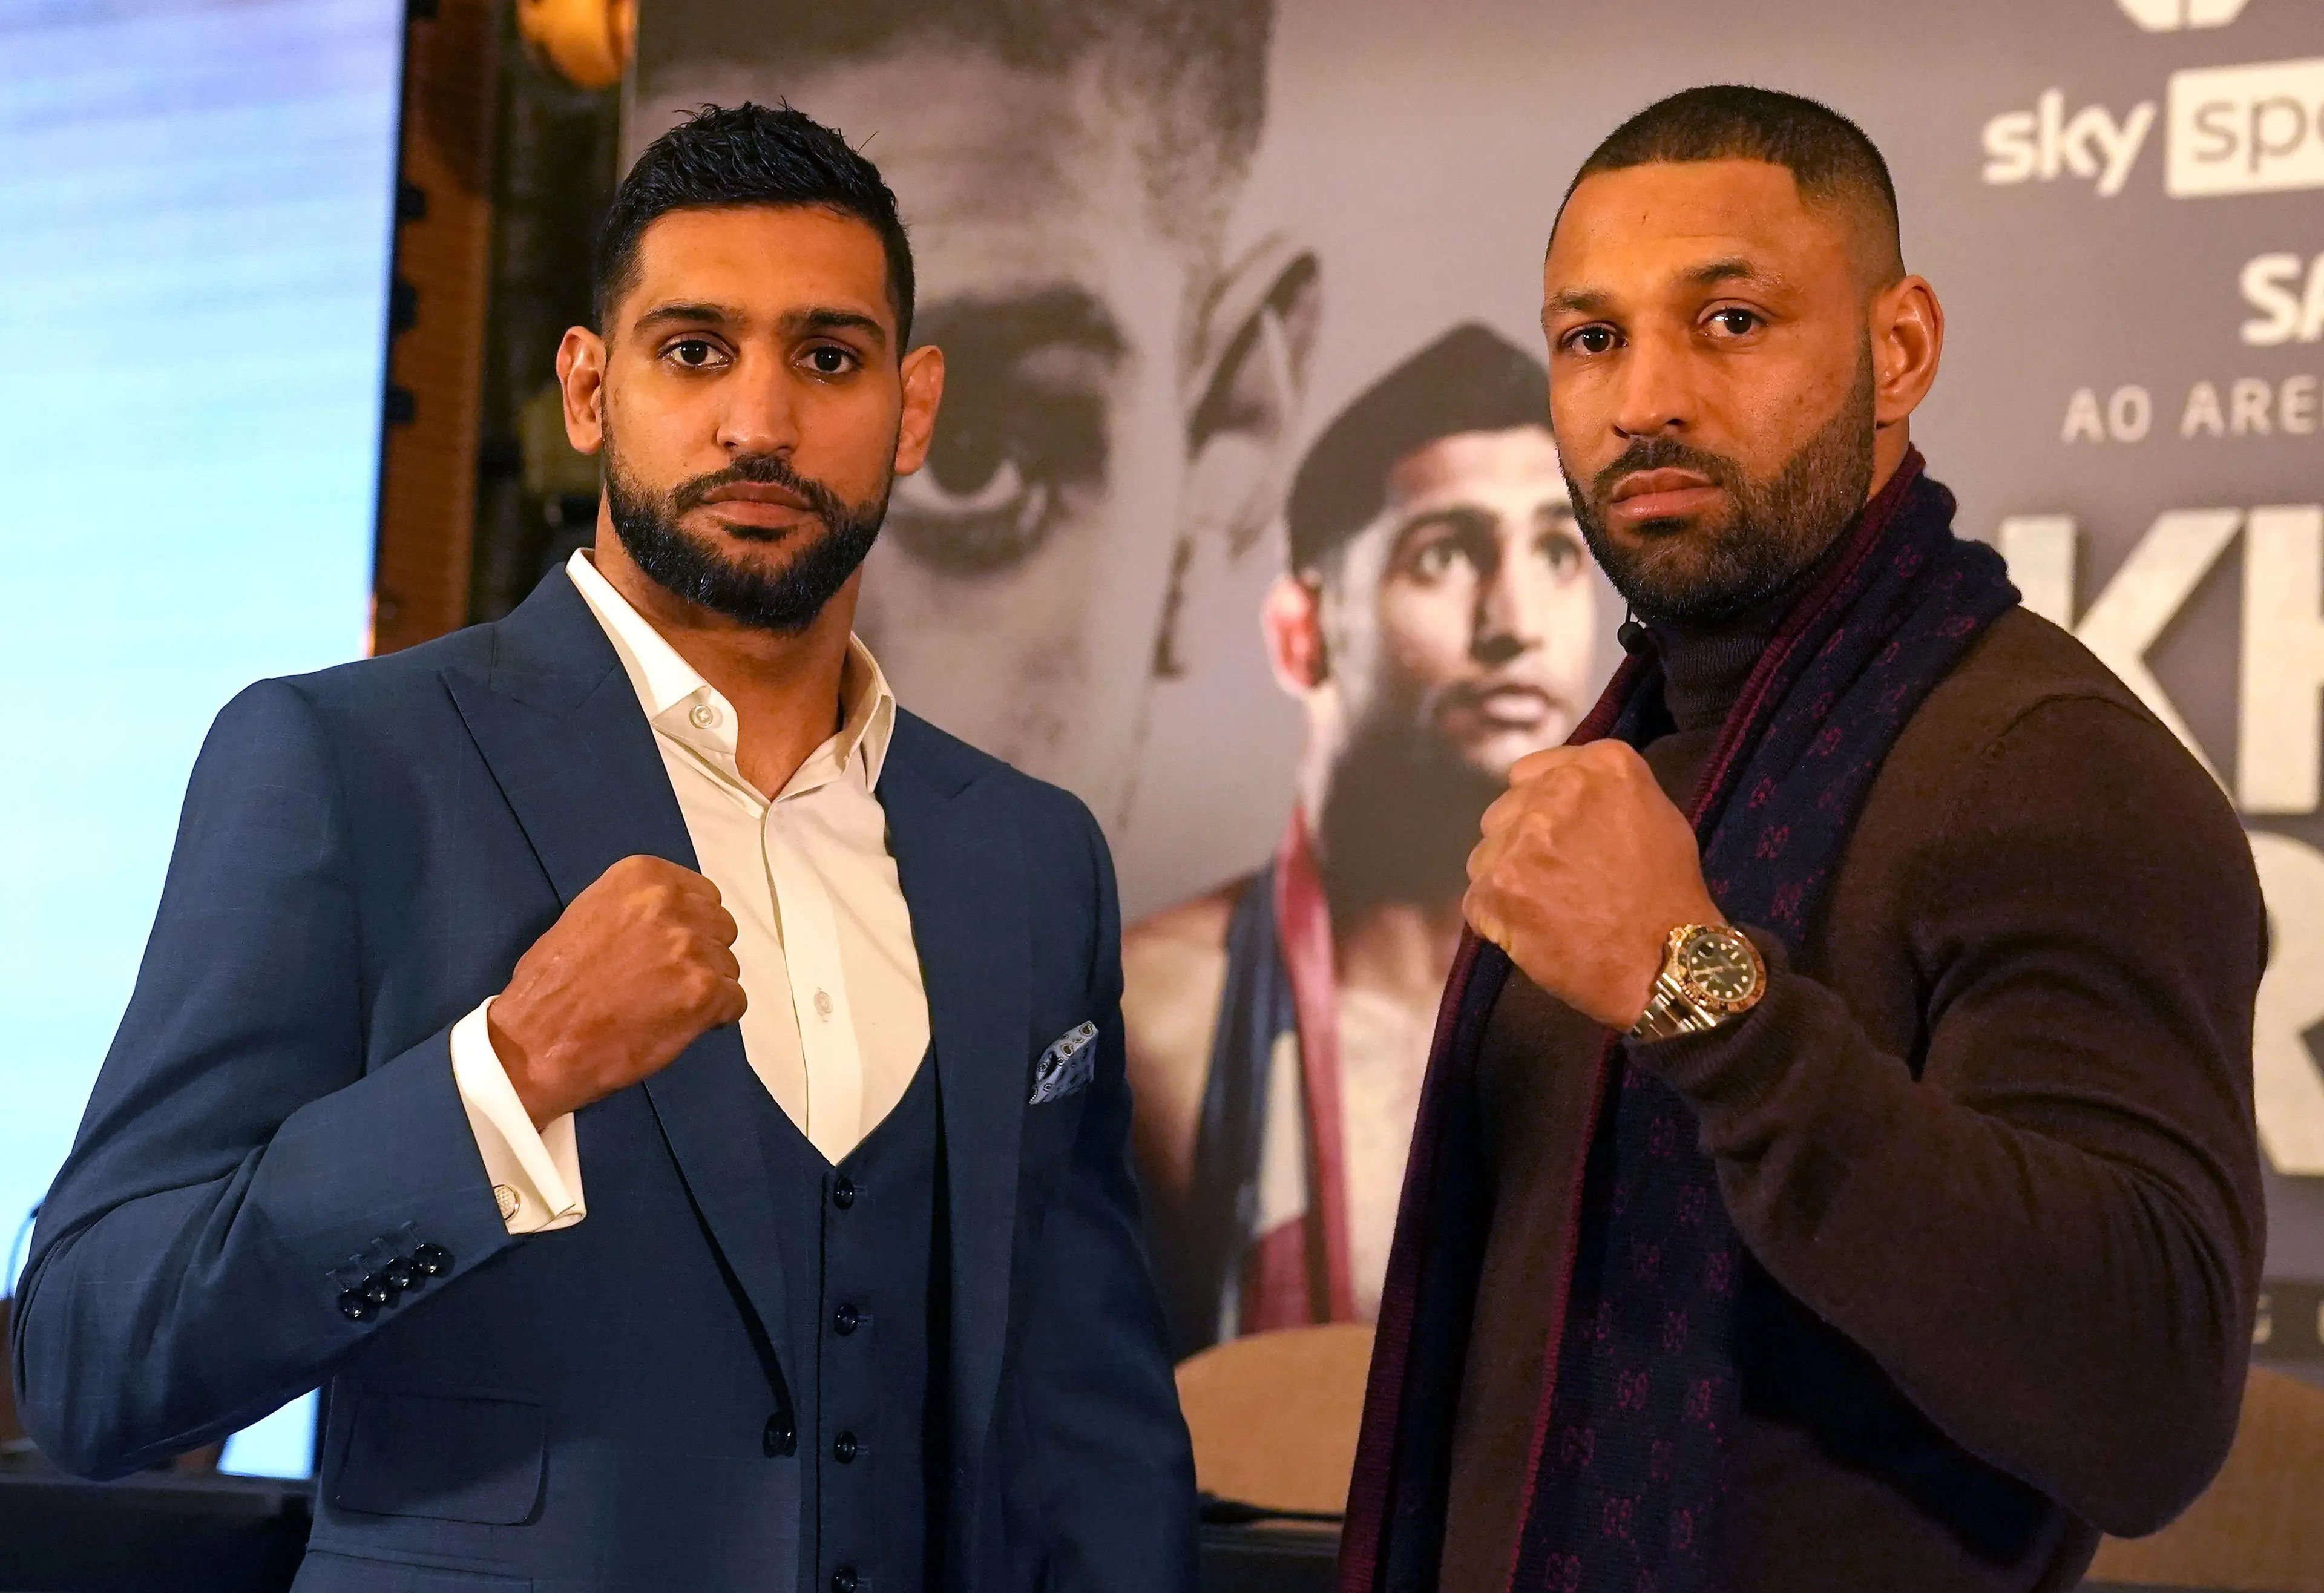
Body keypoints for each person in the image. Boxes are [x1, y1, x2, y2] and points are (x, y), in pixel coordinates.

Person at [11, 105, 1193, 1593]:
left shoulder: (1030, 855)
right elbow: (93, 1356)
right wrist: (504, 1076)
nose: (759, 421)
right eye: (694, 350)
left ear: (914, 408)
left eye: (828, 358)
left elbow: (1088, 1431)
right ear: (588, 388)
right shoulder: (345, 764)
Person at [1339, 87, 2264, 1593]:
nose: (1646, 399)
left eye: (1732, 321)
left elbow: (2150, 1398)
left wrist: (1697, 988)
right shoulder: (1638, 748)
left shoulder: (2046, 761)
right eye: (1593, 338)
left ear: (1899, 351)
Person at [631, 0, 1319, 832]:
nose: (789, 624)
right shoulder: (482, 796)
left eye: (970, 462)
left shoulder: (1054, 880)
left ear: (1223, 441)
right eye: (693, 357)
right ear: (589, 394)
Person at [1123, 326, 1597, 1355]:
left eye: (1560, 551)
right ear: (1301, 635)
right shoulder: (1153, 1020)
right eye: (1445, 554)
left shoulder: (1648, 999)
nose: (1516, 621)